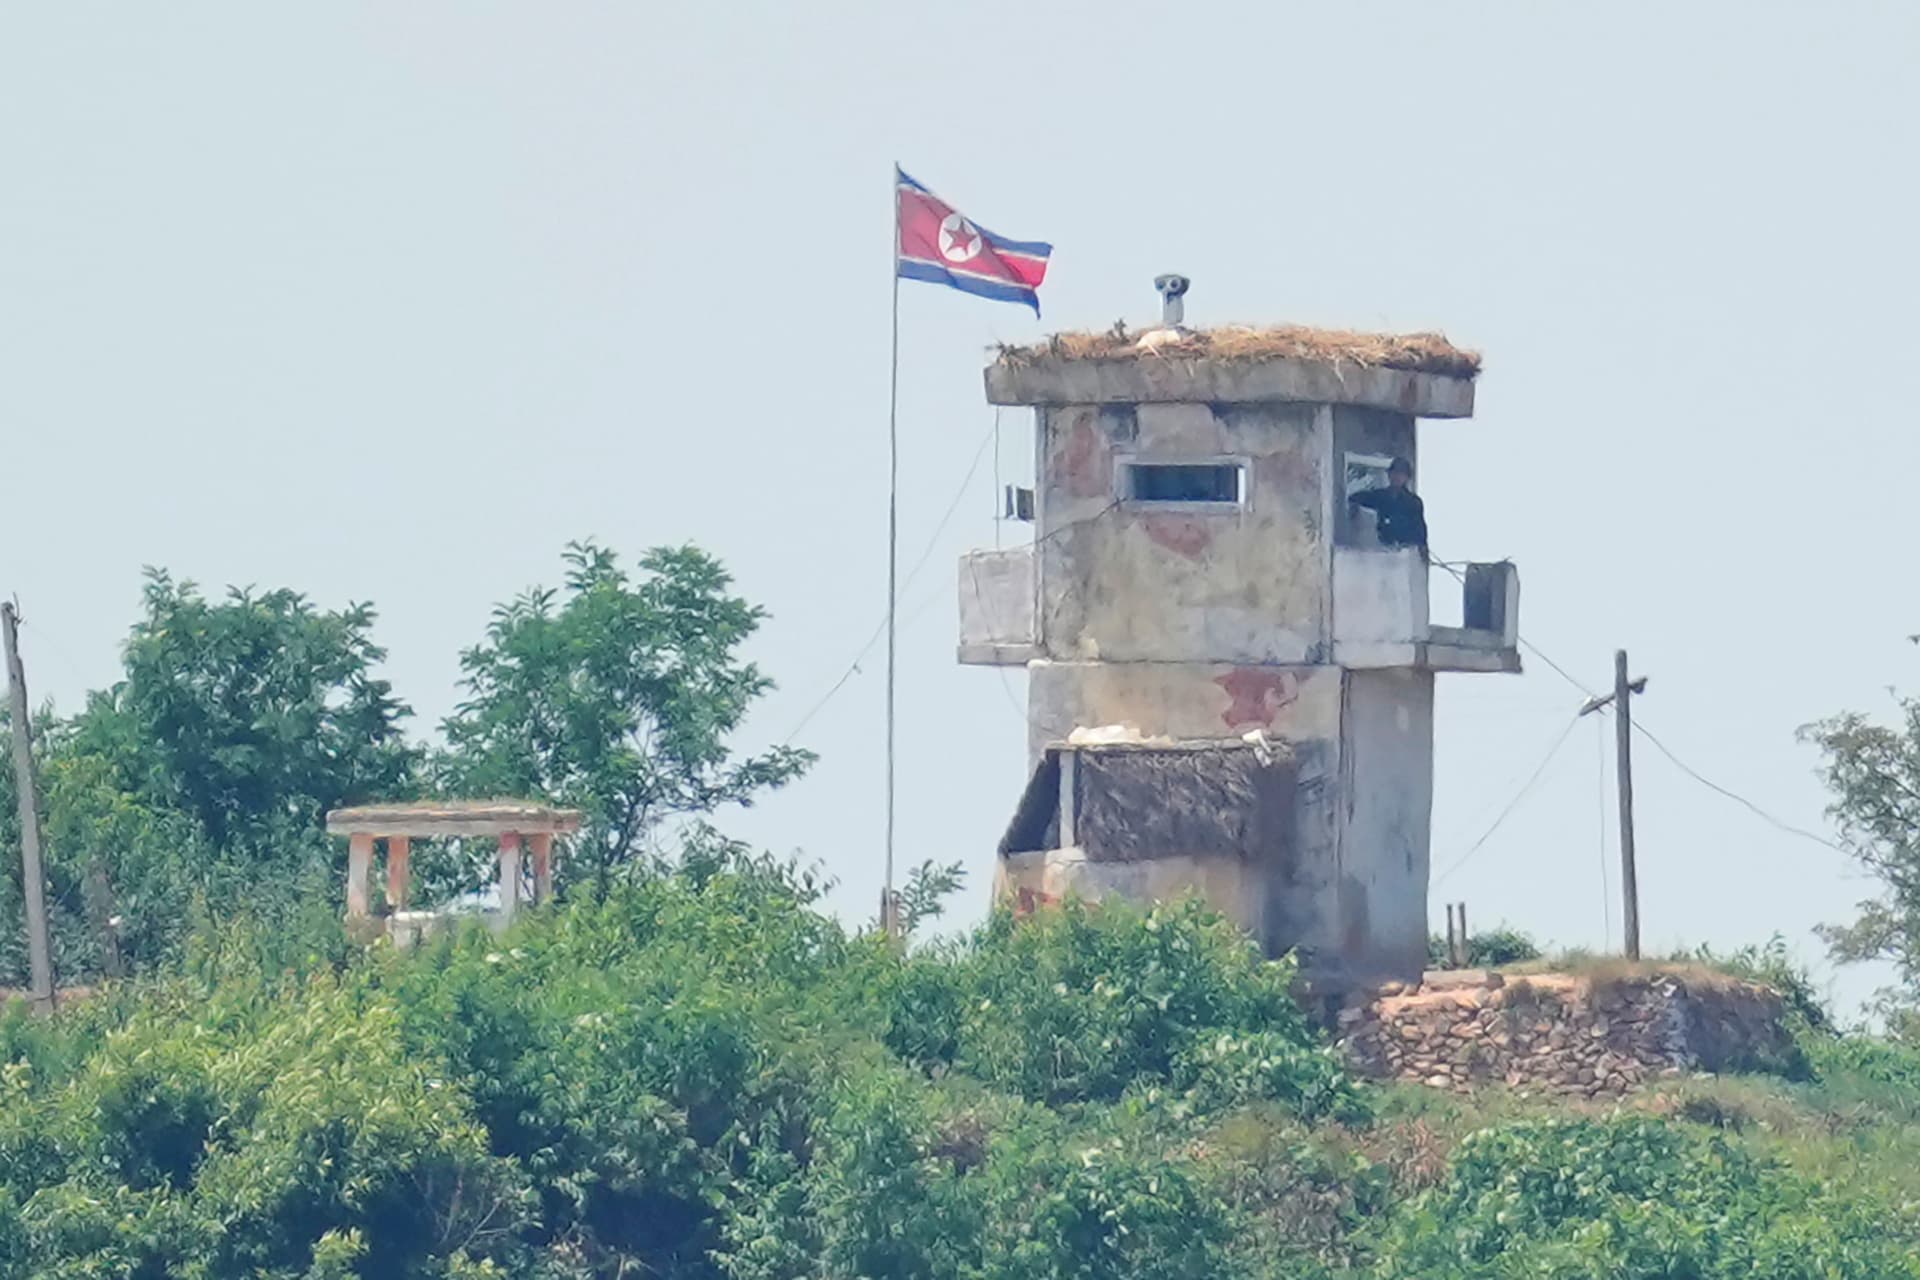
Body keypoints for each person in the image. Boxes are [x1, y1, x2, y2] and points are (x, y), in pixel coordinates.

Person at [1349, 456, 1428, 555]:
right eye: (1394, 473)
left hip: (1404, 553)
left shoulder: (1413, 502)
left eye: (1401, 474)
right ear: (1389, 475)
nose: (1396, 477)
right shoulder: (1381, 496)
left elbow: (1420, 530)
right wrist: (1354, 509)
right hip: (1383, 550)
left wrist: (1422, 550)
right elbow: (1356, 498)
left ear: (1407, 478)